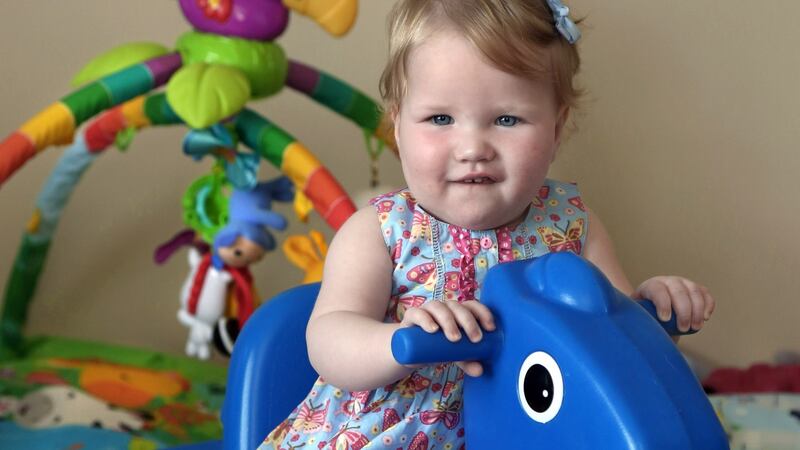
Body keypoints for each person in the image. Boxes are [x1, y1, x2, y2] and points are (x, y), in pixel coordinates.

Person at [260, 0, 716, 448]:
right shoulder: (379, 231)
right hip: (389, 438)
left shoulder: (573, 225)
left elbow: (610, 344)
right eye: (440, 118)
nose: (473, 146)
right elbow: (328, 340)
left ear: (556, 130)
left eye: (506, 119)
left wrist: (655, 313)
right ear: (397, 127)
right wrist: (400, 341)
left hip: (528, 433)